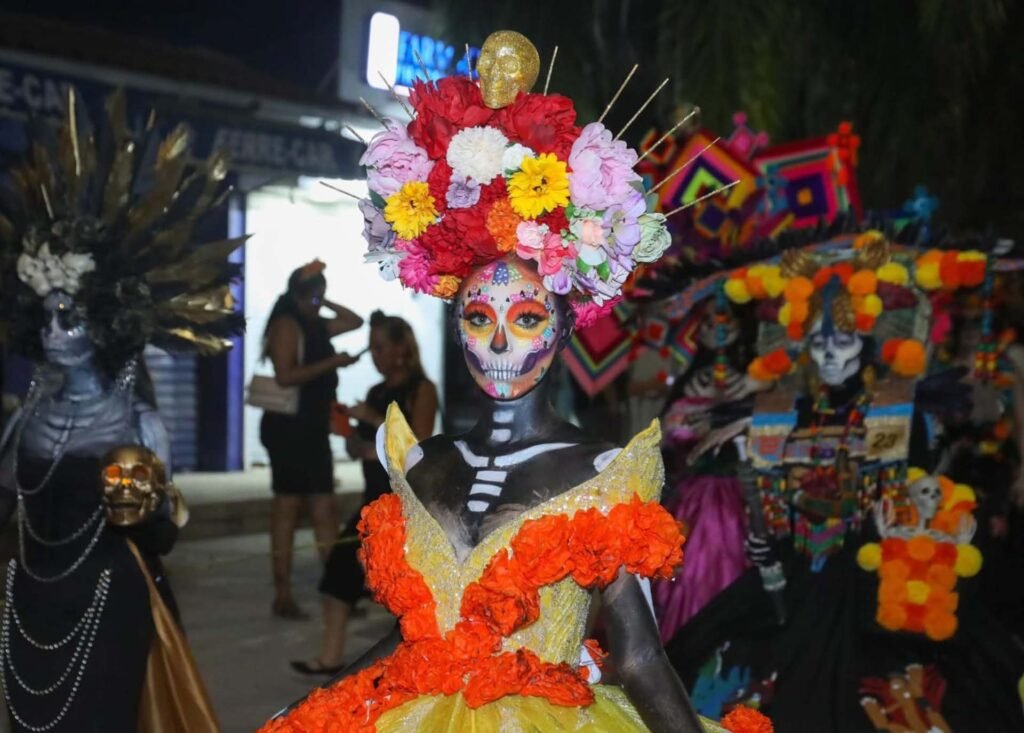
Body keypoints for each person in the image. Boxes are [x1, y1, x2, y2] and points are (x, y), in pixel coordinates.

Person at [261, 30, 757, 733]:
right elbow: (413, 639)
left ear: (561, 327)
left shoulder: (607, 474)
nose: (497, 341)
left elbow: (640, 657)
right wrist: (314, 707)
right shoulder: (423, 462)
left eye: (525, 316)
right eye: (477, 315)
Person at [0, 89, 225, 732]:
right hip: (30, 601)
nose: (54, 333)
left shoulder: (138, 427)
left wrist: (147, 504)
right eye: (44, 316)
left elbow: (164, 537)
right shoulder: (24, 419)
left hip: (109, 600)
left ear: (107, 323)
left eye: (70, 316)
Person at [291, 311, 438, 676]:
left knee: (408, 591)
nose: (374, 355)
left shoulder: (422, 389)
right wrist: (348, 434)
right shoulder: (377, 392)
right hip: (372, 502)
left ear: (401, 348)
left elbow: (418, 446)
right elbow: (365, 448)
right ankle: (331, 657)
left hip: (407, 505)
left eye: (380, 347)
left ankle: (417, 663)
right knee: (338, 578)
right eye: (372, 348)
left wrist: (373, 421)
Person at [260, 261, 363, 619]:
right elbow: (286, 375)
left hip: (312, 425)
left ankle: (335, 590)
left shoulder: (316, 322)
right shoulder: (287, 325)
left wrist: (325, 301)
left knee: (324, 507)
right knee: (288, 508)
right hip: (289, 428)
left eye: (320, 294)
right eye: (313, 295)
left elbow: (355, 321)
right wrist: (331, 362)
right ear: (297, 295)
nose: (317, 302)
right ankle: (283, 592)